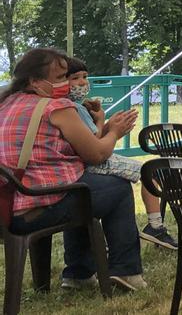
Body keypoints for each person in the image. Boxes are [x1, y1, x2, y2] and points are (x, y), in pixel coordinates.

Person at [0, 48, 147, 291]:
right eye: (59, 79)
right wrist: (114, 132)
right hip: (37, 207)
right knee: (116, 189)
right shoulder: (56, 108)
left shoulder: (5, 104)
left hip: (8, 206)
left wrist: (104, 128)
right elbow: (96, 154)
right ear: (35, 82)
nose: (66, 85)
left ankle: (78, 274)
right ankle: (126, 271)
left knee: (85, 189)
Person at [65, 57, 177, 249]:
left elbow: (94, 138)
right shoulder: (73, 109)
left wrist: (110, 125)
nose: (82, 82)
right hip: (89, 163)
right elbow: (95, 146)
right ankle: (155, 226)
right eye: (75, 78)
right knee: (150, 172)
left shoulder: (77, 107)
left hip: (81, 163)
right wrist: (103, 122)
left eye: (85, 76)